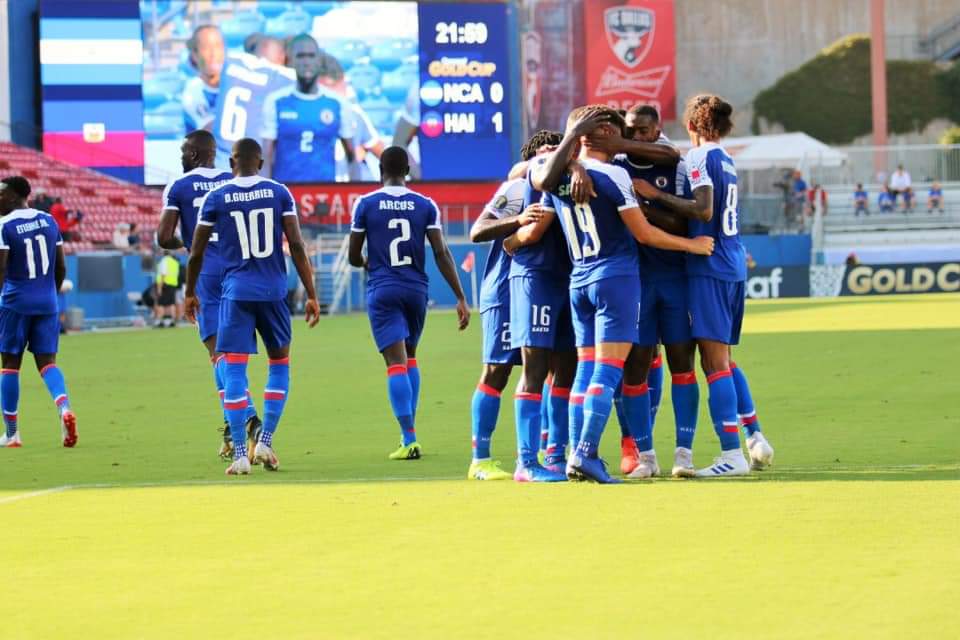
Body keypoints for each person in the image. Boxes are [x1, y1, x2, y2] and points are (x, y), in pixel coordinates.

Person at [530, 105, 714, 483]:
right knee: (607, 372)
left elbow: (539, 176)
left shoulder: (556, 174)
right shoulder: (614, 175)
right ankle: (585, 454)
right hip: (615, 278)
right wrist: (690, 245)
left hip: (579, 279)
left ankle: (572, 456)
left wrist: (576, 158)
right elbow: (644, 233)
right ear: (600, 136)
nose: (621, 143)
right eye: (614, 134)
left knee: (585, 371)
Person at [635, 94, 774, 476]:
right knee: (723, 359)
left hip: (706, 265)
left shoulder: (697, 158)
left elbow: (704, 209)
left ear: (691, 125)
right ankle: (754, 435)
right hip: (732, 264)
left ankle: (731, 454)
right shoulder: (727, 159)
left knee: (713, 364)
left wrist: (654, 196)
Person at [185, 138, 320, 475]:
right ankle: (267, 441)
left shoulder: (216, 197)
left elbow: (197, 252)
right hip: (273, 292)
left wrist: (189, 292)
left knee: (233, 370)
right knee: (279, 364)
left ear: (232, 163)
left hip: (235, 293)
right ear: (260, 162)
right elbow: (297, 245)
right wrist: (312, 293)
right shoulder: (279, 192)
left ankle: (241, 455)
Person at [348, 147, 470, 461]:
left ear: (379, 170)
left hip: (384, 288)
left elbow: (352, 255)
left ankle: (409, 437)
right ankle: (409, 432)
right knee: (411, 357)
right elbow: (442, 253)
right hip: (416, 290)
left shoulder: (366, 204)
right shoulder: (425, 205)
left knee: (395, 364)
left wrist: (365, 262)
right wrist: (459, 295)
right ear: (408, 172)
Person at [608, 103, 702, 478]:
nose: (637, 137)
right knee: (636, 370)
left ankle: (684, 453)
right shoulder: (615, 168)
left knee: (683, 365)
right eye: (631, 130)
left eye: (644, 130)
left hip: (674, 278)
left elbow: (683, 220)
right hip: (635, 281)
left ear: (657, 130)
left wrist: (641, 205)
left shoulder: (674, 165)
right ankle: (645, 456)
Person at [158, 130, 264, 458]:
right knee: (231, 356)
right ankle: (233, 433)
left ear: (192, 155)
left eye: (181, 152)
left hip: (204, 273)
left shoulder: (179, 186)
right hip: (240, 271)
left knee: (218, 354)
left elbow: (164, 236)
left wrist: (188, 244)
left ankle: (247, 417)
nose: (179, 157)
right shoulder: (234, 180)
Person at [463, 133, 562, 481]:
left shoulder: (561, 189)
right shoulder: (518, 189)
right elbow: (478, 230)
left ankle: (544, 450)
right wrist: (517, 221)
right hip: (505, 289)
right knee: (499, 370)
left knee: (549, 367)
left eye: (555, 149)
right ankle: (481, 459)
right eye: (542, 151)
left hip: (543, 288)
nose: (549, 155)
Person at [0, 176, 78, 448]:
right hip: (47, 301)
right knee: (47, 363)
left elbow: (0, 269)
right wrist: (50, 296)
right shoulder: (48, 220)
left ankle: (12, 433)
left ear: (12, 197)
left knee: (10, 365)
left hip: (15, 303)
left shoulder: (4, 225)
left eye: (1, 195)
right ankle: (64, 408)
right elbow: (61, 268)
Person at [261, 34, 357, 183]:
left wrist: (355, 195)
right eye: (300, 56)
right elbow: (266, 158)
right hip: (286, 195)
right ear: (291, 60)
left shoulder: (337, 103)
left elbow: (352, 157)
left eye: (311, 56)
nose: (306, 62)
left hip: (324, 197)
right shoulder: (276, 101)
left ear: (319, 60)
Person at [210, 37, 295, 167]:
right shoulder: (284, 77)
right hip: (251, 167)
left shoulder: (230, 60)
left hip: (220, 161)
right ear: (280, 55)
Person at [182, 25, 225, 132]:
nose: (213, 54)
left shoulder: (234, 82)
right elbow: (212, 131)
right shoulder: (192, 91)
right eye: (206, 48)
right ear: (195, 55)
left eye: (218, 46)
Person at [154, 251, 180, 328]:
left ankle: (159, 321)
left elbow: (163, 274)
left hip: (165, 284)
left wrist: (159, 288)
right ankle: (171, 321)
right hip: (173, 284)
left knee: (161, 303)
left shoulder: (164, 261)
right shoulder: (175, 262)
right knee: (171, 303)